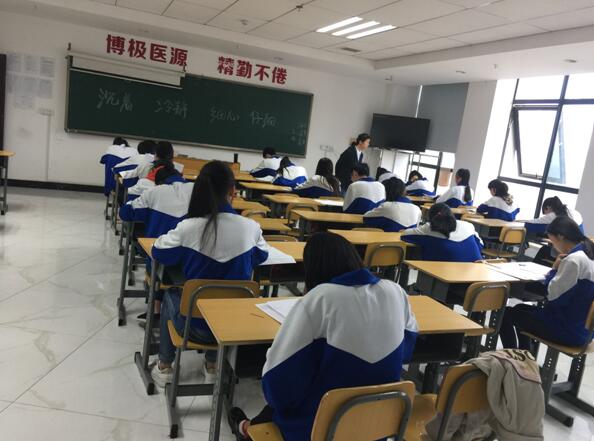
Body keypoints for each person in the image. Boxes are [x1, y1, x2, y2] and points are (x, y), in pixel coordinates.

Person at [227, 232, 418, 441]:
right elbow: (407, 351)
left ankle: (246, 429)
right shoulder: (396, 292)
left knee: (286, 403)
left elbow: (277, 387)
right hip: (378, 425)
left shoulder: (319, 299)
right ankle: (249, 427)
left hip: (320, 429)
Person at [150, 161, 270, 387]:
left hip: (193, 327)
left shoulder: (189, 227)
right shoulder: (250, 227)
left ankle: (164, 366)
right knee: (224, 300)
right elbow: (261, 256)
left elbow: (159, 252)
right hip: (234, 327)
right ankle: (213, 366)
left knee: (170, 295)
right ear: (232, 191)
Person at [500, 216, 594, 350]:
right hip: (584, 331)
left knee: (504, 314)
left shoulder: (574, 260)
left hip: (566, 330)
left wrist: (554, 269)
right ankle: (523, 353)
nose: (554, 246)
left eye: (553, 241)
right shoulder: (588, 253)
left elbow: (552, 296)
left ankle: (513, 356)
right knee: (520, 309)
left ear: (560, 236)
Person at [401, 203, 483, 261]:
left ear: (431, 218)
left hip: (445, 276)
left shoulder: (429, 227)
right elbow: (480, 245)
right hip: (475, 275)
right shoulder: (468, 225)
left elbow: (404, 235)